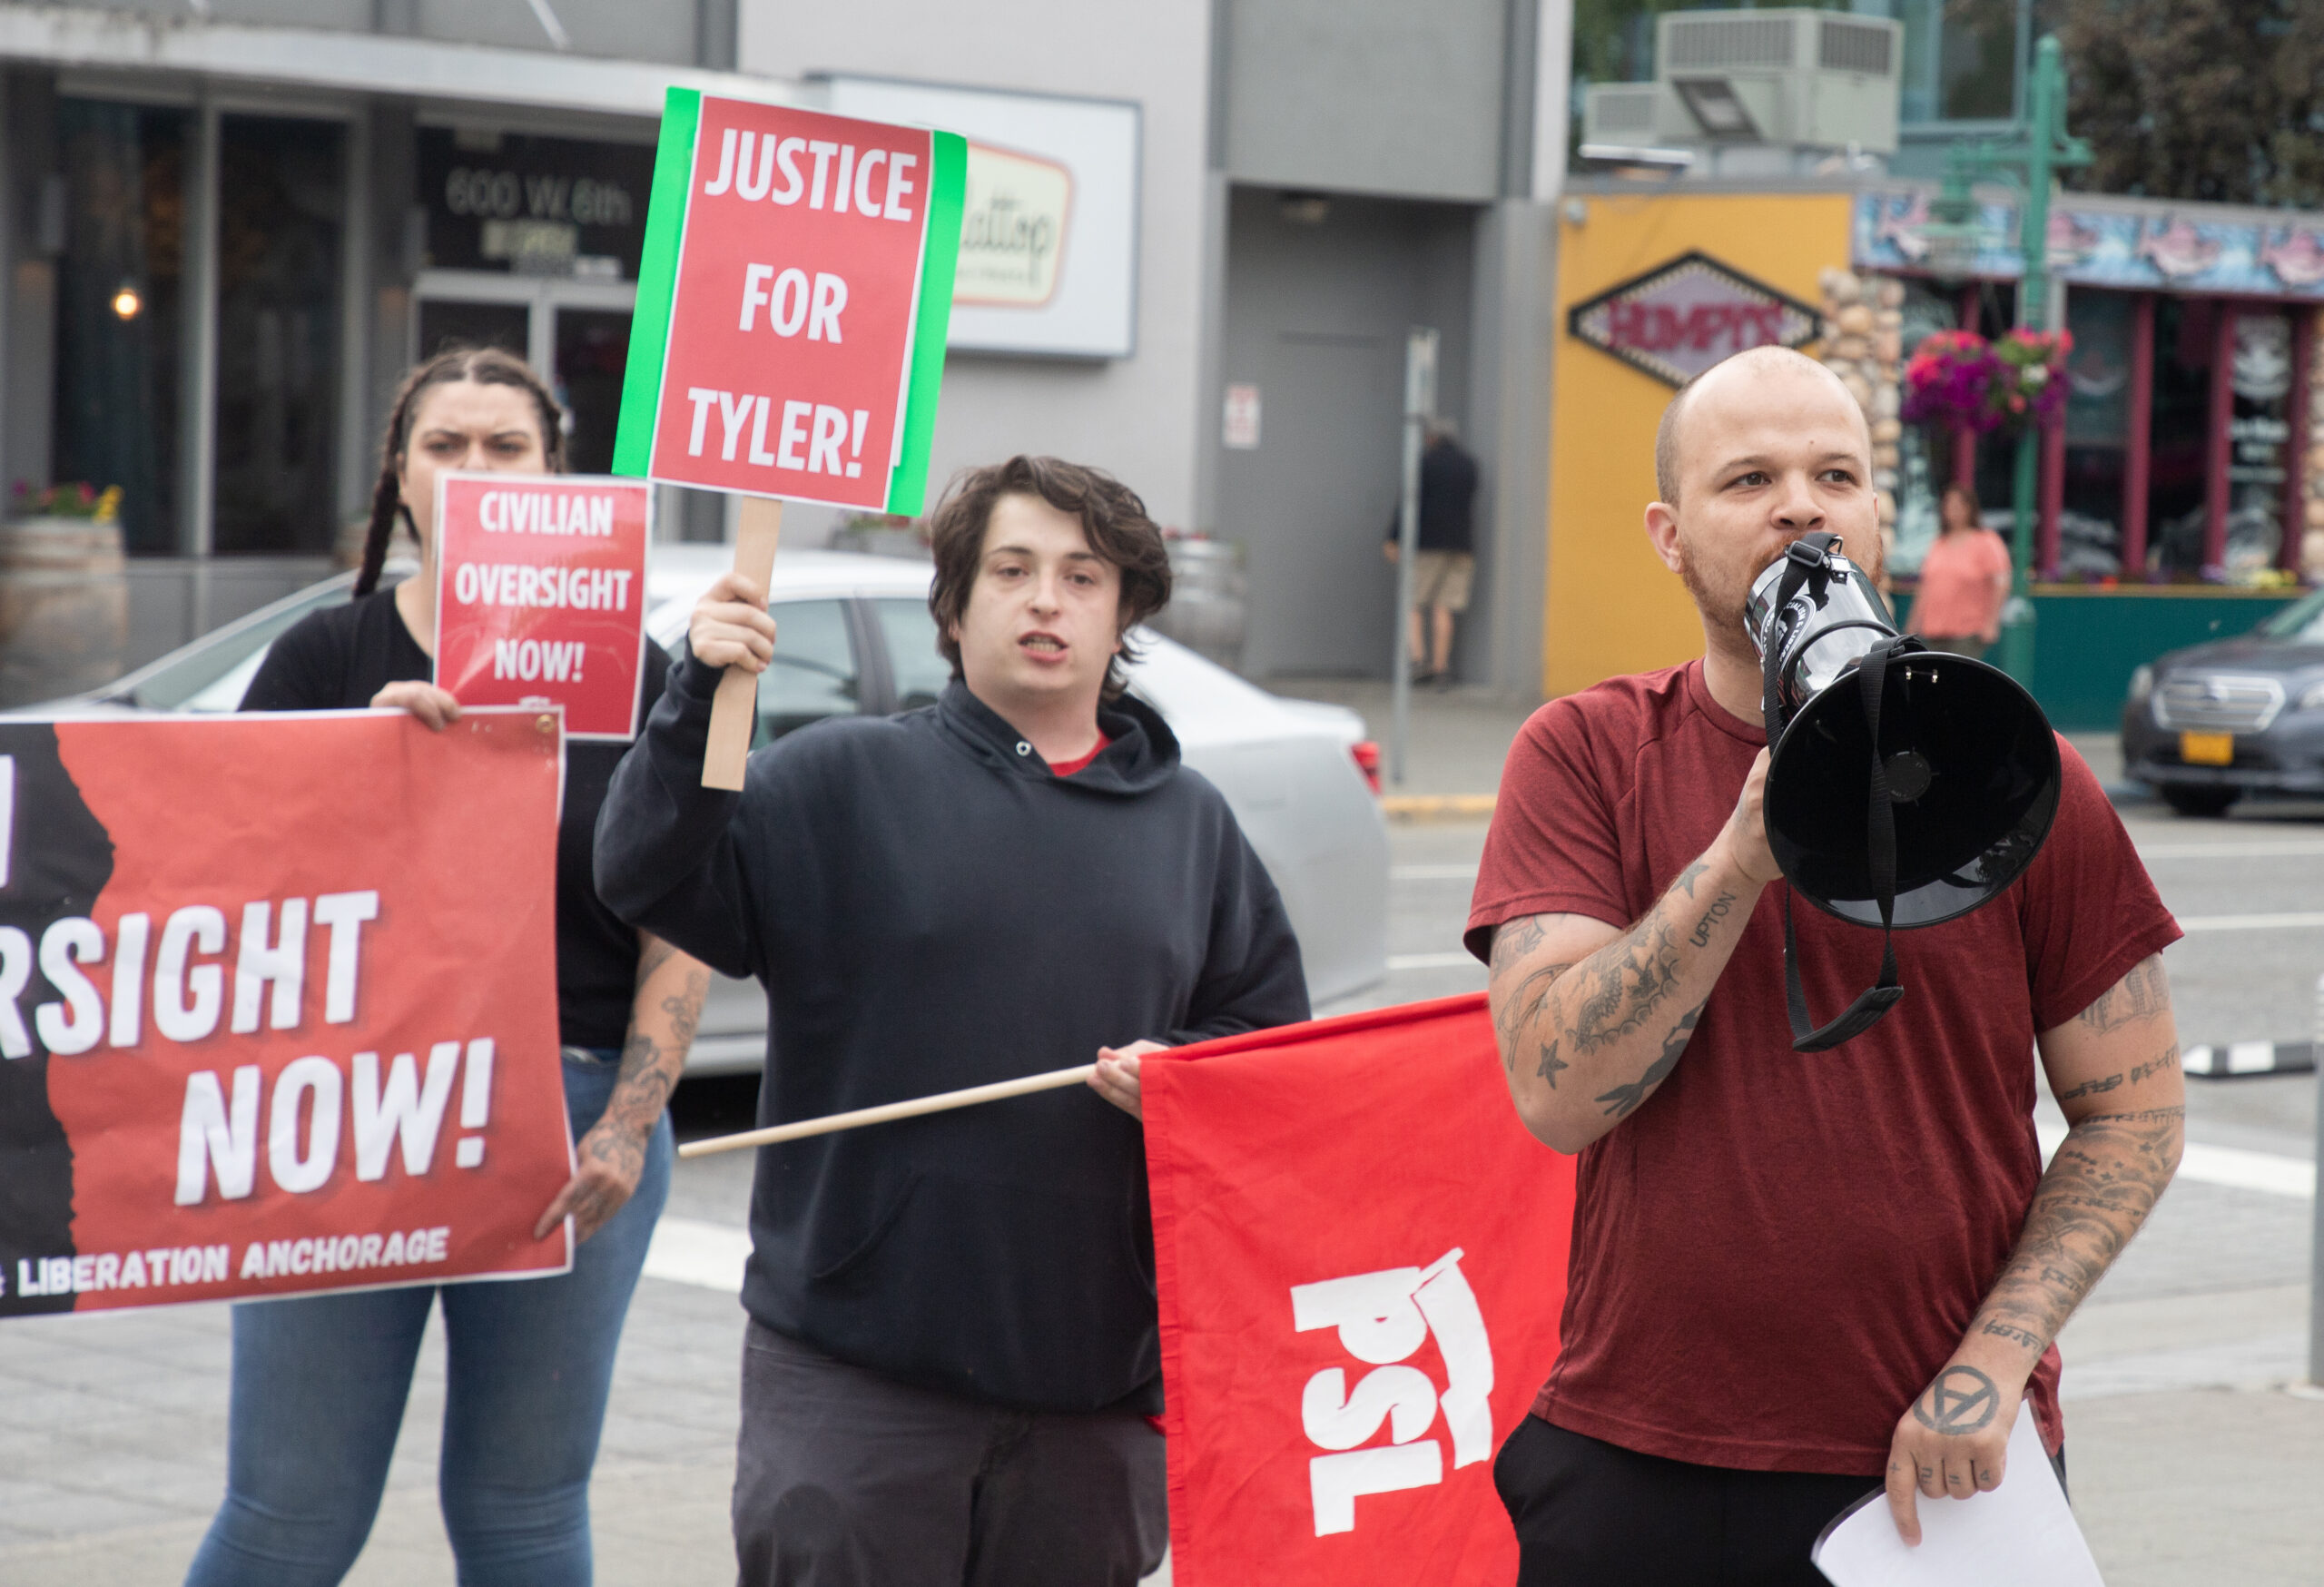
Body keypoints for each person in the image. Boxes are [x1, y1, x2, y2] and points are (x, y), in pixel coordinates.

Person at [1470, 346, 2183, 1586]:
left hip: (1933, 1471)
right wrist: (1744, 855)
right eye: (1749, 478)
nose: (1801, 505)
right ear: (1671, 535)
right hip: (1640, 1459)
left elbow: (2134, 1116)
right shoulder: (1584, 754)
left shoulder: (2019, 772)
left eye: (1836, 475)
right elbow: (1558, 1091)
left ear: (1876, 521)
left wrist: (1990, 1369)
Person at [594, 454, 1310, 1585]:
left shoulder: (1192, 825)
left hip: (1096, 1395)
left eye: (1082, 576)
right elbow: (642, 873)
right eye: (1012, 568)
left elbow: (1267, 1056)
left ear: (1123, 612)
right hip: (854, 1384)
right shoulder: (838, 777)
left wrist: (1179, 1073)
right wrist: (693, 705)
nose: (1044, 599)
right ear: (955, 602)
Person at [188, 346, 709, 1587]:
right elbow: (225, 901)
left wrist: (631, 1124)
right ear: (400, 480)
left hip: (566, 1118)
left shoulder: (639, 676)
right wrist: (357, 768)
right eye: (445, 445)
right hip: (346, 1111)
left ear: (557, 478)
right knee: (287, 1516)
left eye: (507, 447)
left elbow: (677, 934)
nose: (475, 470)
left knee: (526, 1517)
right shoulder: (326, 656)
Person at [1383, 419, 1482, 686]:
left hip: (1427, 545)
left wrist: (1394, 537)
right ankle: (1441, 667)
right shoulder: (1469, 465)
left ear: (1431, 439)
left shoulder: (1425, 464)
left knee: (1413, 601)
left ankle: (1417, 659)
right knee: (1445, 606)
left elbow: (1409, 502)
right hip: (1461, 546)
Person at [1903, 483, 2013, 659]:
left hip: (1967, 632)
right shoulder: (1939, 542)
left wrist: (1991, 623)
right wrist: (1913, 624)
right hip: (1934, 630)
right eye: (1948, 506)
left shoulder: (1985, 541)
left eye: (1958, 506)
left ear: (1970, 509)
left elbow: (2001, 582)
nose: (1952, 511)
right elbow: (1926, 586)